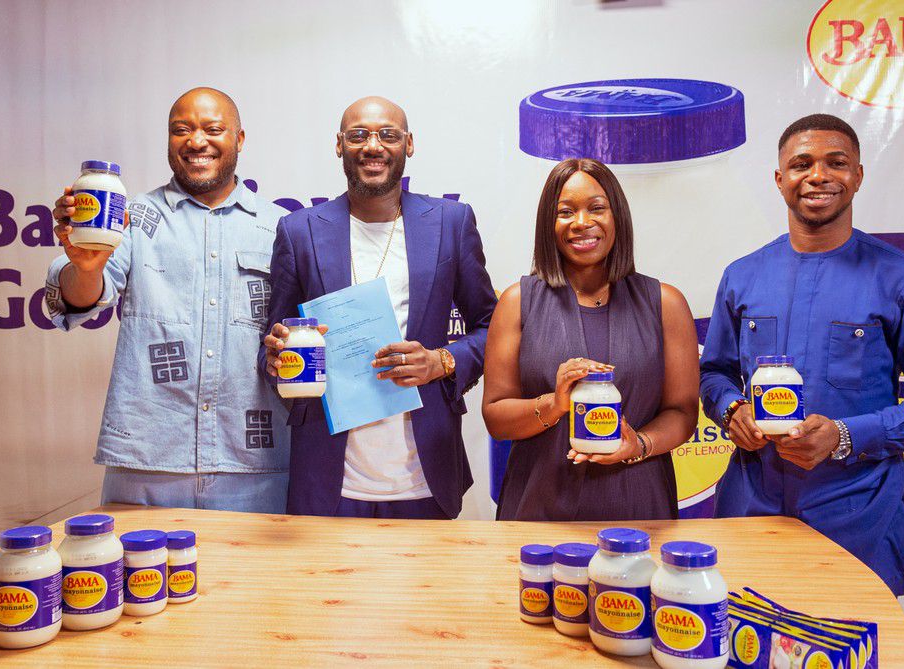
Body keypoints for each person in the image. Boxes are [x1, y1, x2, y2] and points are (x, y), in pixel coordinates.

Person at [700, 114, 904, 596]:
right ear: (779, 179)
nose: (818, 175)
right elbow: (715, 373)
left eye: (837, 163)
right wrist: (731, 410)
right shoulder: (742, 276)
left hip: (857, 515)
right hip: (751, 508)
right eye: (801, 163)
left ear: (859, 176)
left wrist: (847, 436)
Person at [46, 87, 289, 512]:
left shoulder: (281, 227)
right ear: (168, 138)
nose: (197, 141)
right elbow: (80, 301)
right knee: (137, 580)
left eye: (213, 129)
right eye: (182, 130)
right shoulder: (132, 218)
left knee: (255, 581)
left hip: (255, 465)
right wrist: (85, 266)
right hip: (147, 461)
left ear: (240, 138)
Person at [261, 96, 496, 520]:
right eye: (358, 135)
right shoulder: (298, 232)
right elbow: (272, 345)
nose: (373, 146)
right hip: (329, 477)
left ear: (409, 144)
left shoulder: (451, 221)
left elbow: (492, 325)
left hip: (426, 473)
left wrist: (442, 360)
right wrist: (275, 356)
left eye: (388, 135)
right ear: (339, 145)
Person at [482, 158, 699, 520]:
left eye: (596, 208)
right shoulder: (517, 302)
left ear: (618, 217)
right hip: (538, 507)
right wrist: (555, 404)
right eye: (565, 211)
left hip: (640, 506)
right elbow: (496, 416)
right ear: (548, 225)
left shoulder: (666, 303)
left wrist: (639, 444)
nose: (582, 223)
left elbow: (683, 413)